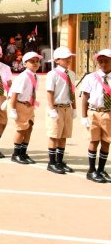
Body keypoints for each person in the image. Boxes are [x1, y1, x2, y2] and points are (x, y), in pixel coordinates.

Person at [80, 49, 111, 183]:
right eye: (100, 61)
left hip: (108, 112)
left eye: (106, 61)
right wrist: (83, 116)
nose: (103, 64)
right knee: (94, 141)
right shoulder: (90, 77)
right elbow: (85, 97)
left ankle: (101, 169)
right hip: (94, 112)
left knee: (106, 141)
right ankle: (91, 170)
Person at [45, 46, 77, 174]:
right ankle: (51, 162)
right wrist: (51, 109)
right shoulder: (52, 74)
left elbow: (72, 92)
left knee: (64, 135)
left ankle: (59, 161)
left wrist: (74, 108)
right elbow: (50, 93)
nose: (68, 59)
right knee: (54, 135)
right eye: (65, 58)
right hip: (56, 108)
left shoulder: (72, 74)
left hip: (67, 107)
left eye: (69, 57)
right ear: (57, 60)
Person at [8, 51, 42, 165]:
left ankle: (23, 152)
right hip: (20, 104)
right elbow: (14, 93)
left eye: (37, 61)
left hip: (28, 105)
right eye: (32, 61)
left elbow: (33, 91)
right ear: (25, 63)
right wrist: (12, 109)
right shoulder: (23, 77)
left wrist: (32, 102)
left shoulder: (35, 76)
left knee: (29, 127)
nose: (36, 64)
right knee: (21, 129)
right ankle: (16, 154)